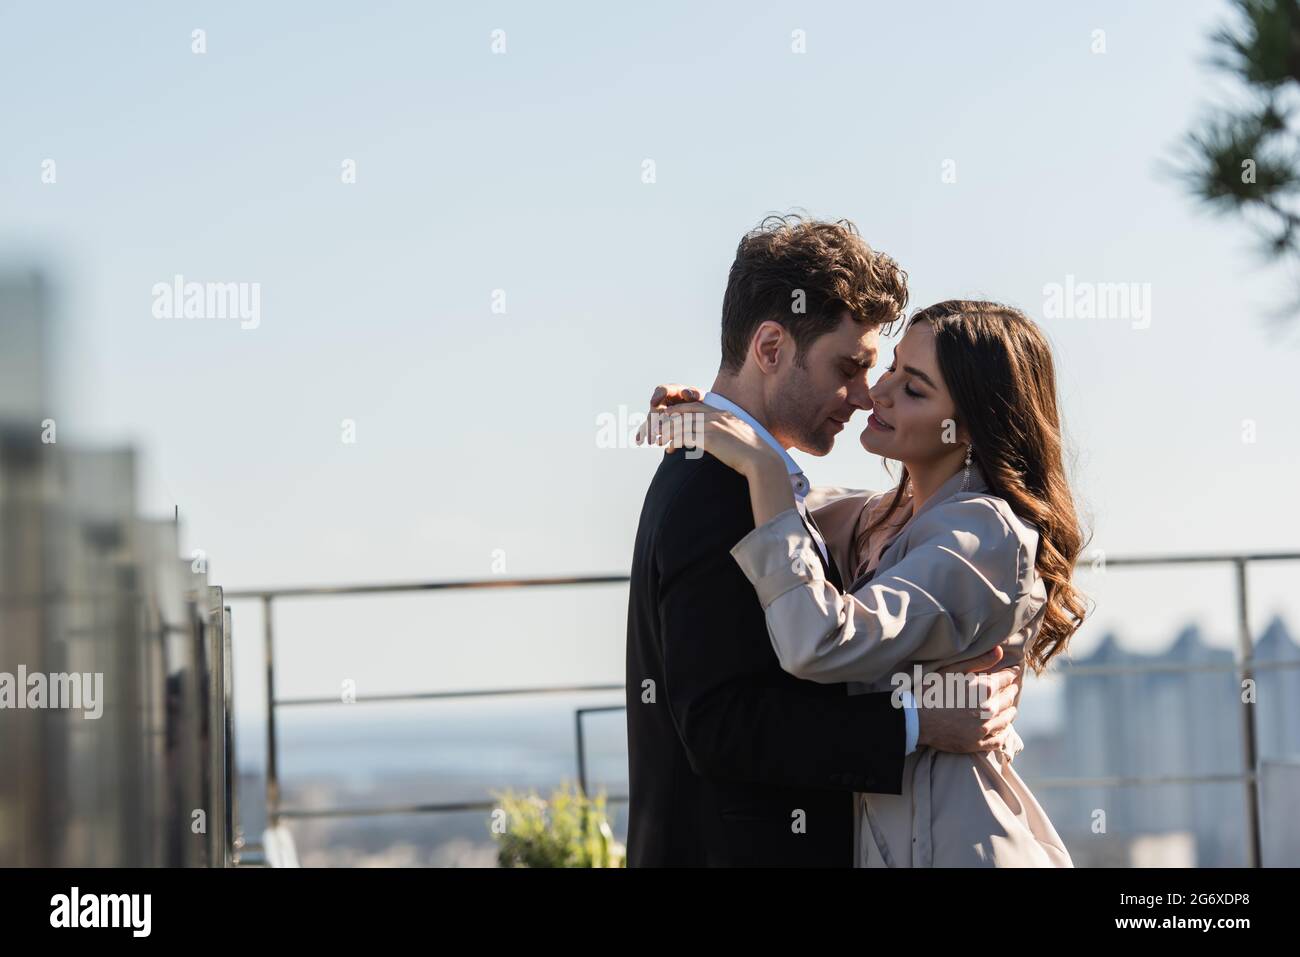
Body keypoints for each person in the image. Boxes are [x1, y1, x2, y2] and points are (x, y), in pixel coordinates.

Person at [624, 215, 1025, 867]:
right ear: (772, 347)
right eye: (849, 367)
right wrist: (920, 722)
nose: (867, 397)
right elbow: (720, 726)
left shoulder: (751, 483)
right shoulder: (717, 490)